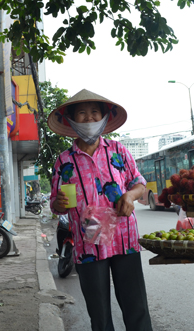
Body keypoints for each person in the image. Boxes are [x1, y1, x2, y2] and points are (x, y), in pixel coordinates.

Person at [48, 89, 152, 331]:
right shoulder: (64, 160)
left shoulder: (118, 151)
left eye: (95, 113)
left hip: (124, 237)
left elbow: (139, 183)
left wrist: (130, 195)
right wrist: (58, 204)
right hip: (88, 242)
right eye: (82, 114)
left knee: (136, 308)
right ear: (72, 120)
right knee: (99, 314)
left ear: (104, 118)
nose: (89, 119)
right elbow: (55, 202)